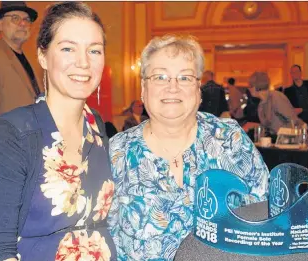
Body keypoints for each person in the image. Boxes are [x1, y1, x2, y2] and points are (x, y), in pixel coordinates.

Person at [0, 2, 116, 261]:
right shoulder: (9, 136)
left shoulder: (96, 126)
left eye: (94, 50)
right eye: (68, 48)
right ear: (42, 56)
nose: (83, 62)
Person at [108, 34, 269, 260]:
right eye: (160, 77)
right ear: (144, 89)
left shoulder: (229, 139)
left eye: (184, 78)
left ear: (198, 90)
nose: (172, 87)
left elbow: (266, 216)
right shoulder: (118, 151)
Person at [0, 1, 42, 134]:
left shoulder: (31, 60)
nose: (23, 23)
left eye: (26, 19)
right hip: (7, 145)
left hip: (32, 143)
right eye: (15, 18)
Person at [248, 71, 305, 135]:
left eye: (250, 86)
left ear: (256, 86)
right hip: (278, 138)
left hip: (289, 139)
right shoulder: (262, 104)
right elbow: (268, 126)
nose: (248, 88)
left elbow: (292, 121)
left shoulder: (276, 97)